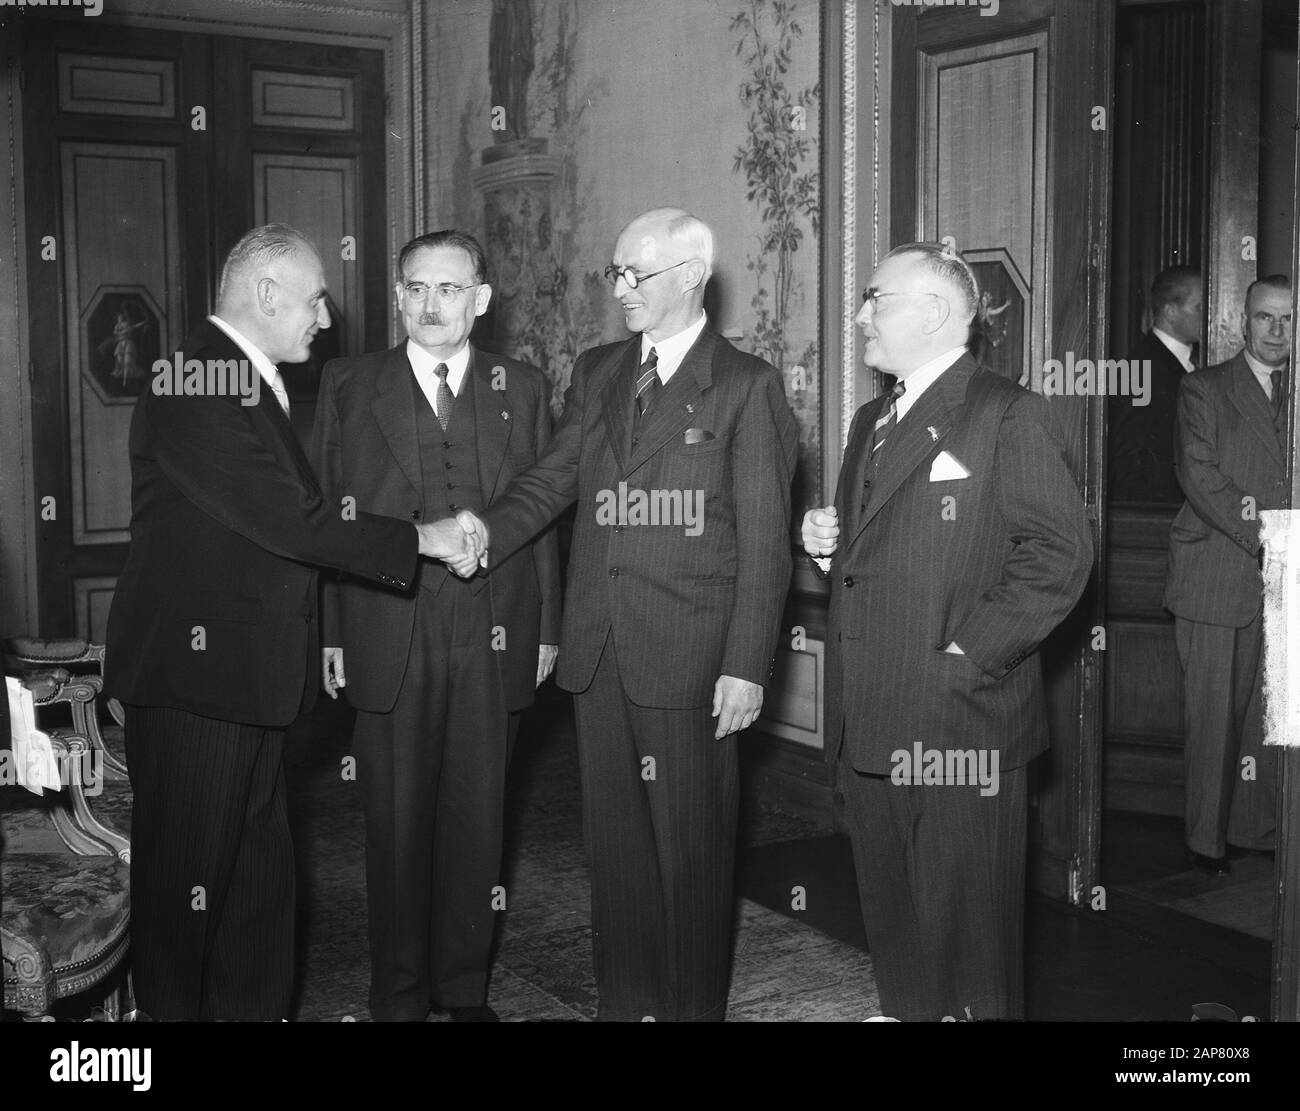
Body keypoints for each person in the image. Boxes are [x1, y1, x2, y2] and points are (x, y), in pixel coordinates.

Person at [104, 224, 479, 1021]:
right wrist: (424, 537)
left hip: (248, 684)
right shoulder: (195, 378)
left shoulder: (246, 379)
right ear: (265, 293)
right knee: (186, 908)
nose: (324, 317)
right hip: (195, 689)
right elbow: (294, 521)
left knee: (254, 900)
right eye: (313, 299)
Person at [457, 208, 798, 1021]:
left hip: (691, 658)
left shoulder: (747, 385)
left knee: (692, 857)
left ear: (688, 275)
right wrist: (480, 530)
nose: (620, 289)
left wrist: (747, 663)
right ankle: (627, 1007)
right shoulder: (601, 368)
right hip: (599, 651)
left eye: (634, 274)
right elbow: (553, 478)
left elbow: (766, 544)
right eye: (615, 273)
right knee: (616, 857)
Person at [802, 242, 1092, 1021]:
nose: (861, 313)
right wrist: (828, 549)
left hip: (962, 723)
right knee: (897, 923)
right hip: (872, 714)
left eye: (875, 298)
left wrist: (970, 653)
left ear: (931, 312)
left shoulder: (1007, 410)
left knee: (972, 950)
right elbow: (873, 564)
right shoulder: (872, 417)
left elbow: (1061, 553)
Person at [310, 230, 560, 1022]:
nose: (429, 305)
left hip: (496, 631)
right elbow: (324, 515)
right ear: (397, 295)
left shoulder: (523, 385)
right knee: (395, 824)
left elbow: (546, 513)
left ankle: (463, 989)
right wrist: (329, 633)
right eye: (415, 288)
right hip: (387, 630)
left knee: (478, 818)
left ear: (481, 299)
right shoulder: (350, 384)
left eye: (448, 289)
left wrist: (547, 625)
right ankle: (399, 996)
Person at [1163, 274, 1290, 875]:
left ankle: (1256, 831)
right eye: (1266, 318)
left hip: (1285, 583)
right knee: (1215, 717)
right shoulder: (1204, 388)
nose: (1277, 331)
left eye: (1288, 320)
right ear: (1244, 322)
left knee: (1271, 718)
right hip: (1221, 571)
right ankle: (1206, 843)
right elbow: (1201, 475)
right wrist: (1270, 536)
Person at [1110, 266, 1203, 502]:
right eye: (1200, 307)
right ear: (1170, 312)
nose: (1209, 314)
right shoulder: (1141, 368)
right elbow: (1129, 461)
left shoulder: (1189, 362)